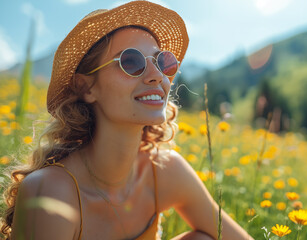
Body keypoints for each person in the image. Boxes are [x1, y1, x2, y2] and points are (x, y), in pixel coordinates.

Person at [0, 1, 254, 239]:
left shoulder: (164, 170)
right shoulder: (51, 192)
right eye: (131, 62)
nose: (157, 75)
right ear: (87, 88)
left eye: (162, 61)